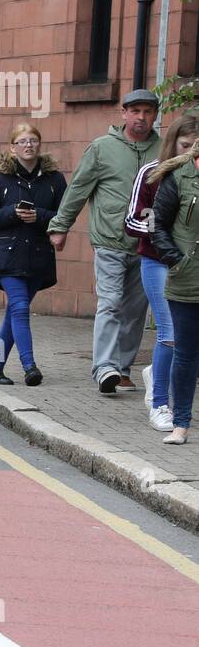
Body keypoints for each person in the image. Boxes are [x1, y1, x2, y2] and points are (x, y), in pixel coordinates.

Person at [48, 90, 161, 393]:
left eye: (147, 111)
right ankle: (104, 368)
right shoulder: (102, 148)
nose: (141, 117)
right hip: (109, 240)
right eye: (135, 111)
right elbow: (78, 189)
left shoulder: (164, 151)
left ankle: (122, 369)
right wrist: (60, 226)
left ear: (155, 115)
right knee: (110, 303)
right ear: (123, 113)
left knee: (135, 310)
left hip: (147, 245)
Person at [0, 123, 67, 387]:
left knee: (12, 316)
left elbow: (64, 215)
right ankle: (29, 366)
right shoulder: (1, 180)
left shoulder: (54, 180)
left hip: (38, 256)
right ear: (12, 148)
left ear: (39, 145)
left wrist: (39, 216)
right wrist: (11, 213)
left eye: (33, 141)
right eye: (22, 141)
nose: (28, 145)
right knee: (19, 308)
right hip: (8, 256)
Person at [128, 115, 199, 431]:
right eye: (185, 145)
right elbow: (132, 221)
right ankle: (160, 404)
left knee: (185, 339)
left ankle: (157, 371)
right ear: (174, 143)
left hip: (188, 265)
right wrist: (163, 231)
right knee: (170, 332)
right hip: (158, 261)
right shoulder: (152, 173)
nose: (190, 152)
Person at [145, 130, 199, 445]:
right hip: (188, 277)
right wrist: (175, 261)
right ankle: (180, 423)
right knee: (186, 353)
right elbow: (156, 224)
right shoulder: (178, 176)